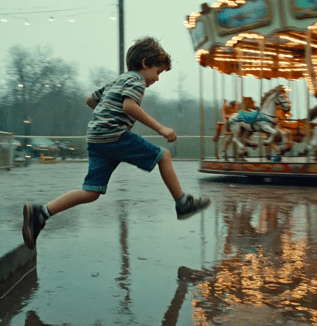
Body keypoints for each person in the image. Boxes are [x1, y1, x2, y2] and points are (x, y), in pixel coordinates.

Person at [22, 37, 211, 250]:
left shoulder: (118, 80)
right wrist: (160, 128)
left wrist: (106, 110)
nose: (157, 79)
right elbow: (130, 106)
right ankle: (183, 203)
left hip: (96, 138)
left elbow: (90, 101)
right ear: (146, 64)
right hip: (113, 135)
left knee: (91, 192)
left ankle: (41, 212)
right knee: (164, 156)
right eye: (158, 72)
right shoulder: (137, 81)